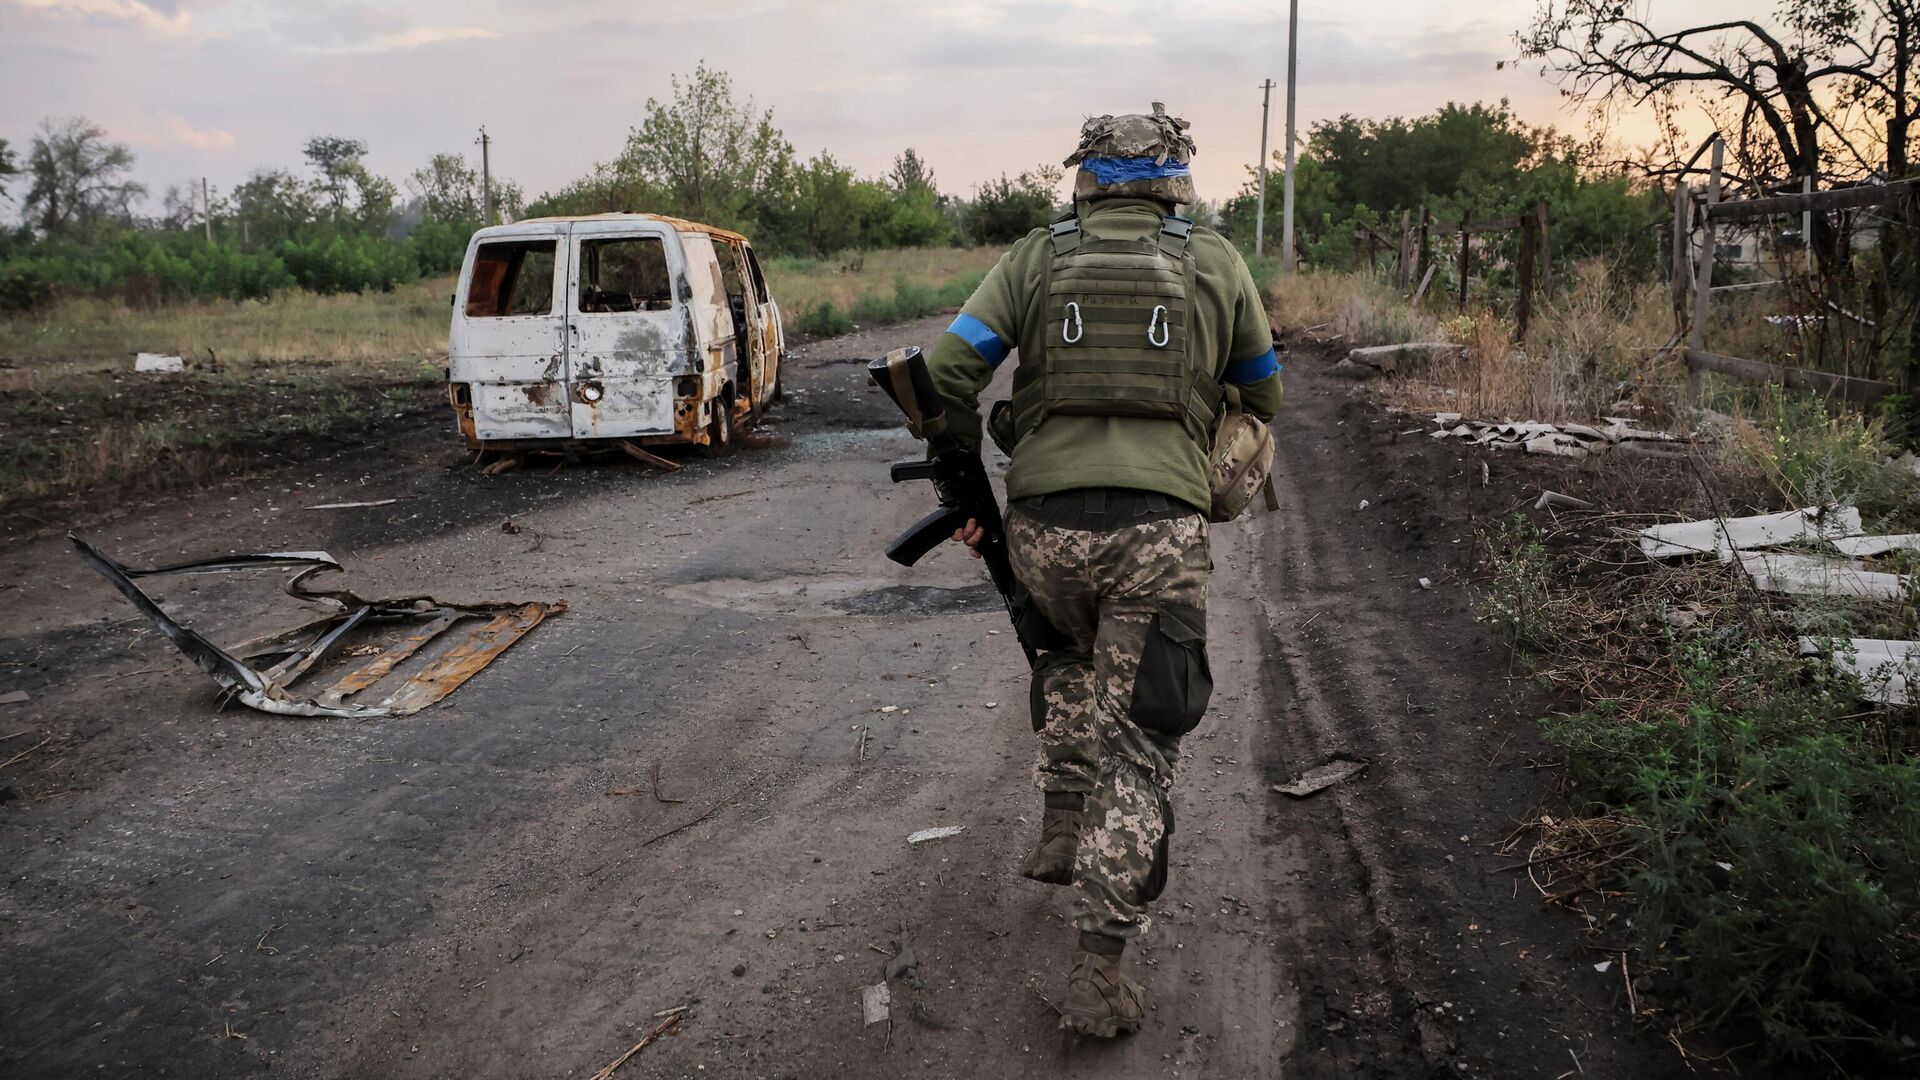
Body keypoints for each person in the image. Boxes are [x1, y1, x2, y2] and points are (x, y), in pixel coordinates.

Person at [925, 103, 1283, 1037]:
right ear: (1177, 176)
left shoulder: (1035, 257)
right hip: (1157, 535)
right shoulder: (1215, 260)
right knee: (1144, 741)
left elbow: (947, 371)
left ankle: (1060, 825)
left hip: (1045, 528)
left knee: (1067, 656)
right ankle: (1097, 970)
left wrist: (966, 475)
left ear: (1084, 175)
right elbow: (1267, 390)